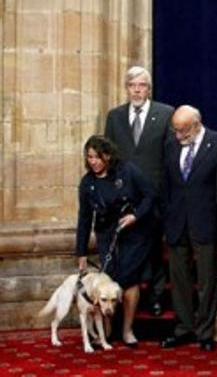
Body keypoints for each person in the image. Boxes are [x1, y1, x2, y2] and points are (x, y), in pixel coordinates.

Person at [158, 105, 217, 352]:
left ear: (197, 124)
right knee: (179, 280)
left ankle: (204, 332)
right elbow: (166, 184)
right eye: (175, 130)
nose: (179, 136)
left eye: (183, 131)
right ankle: (184, 329)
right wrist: (167, 219)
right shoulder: (170, 144)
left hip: (206, 222)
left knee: (207, 280)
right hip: (177, 223)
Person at [104, 66, 174, 316]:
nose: (136, 89)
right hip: (124, 197)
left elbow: (169, 158)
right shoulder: (114, 117)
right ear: (126, 88)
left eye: (141, 85)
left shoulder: (165, 114)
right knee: (126, 250)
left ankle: (155, 297)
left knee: (154, 248)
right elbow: (109, 157)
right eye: (132, 84)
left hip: (154, 196)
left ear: (149, 88)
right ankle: (123, 298)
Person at [76, 135, 155, 348]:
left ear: (108, 156)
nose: (92, 161)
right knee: (109, 280)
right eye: (89, 157)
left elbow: (150, 195)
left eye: (97, 157)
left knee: (129, 279)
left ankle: (127, 330)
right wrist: (81, 253)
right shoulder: (87, 183)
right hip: (106, 235)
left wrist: (135, 216)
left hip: (133, 232)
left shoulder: (128, 171)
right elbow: (84, 218)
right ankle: (107, 330)